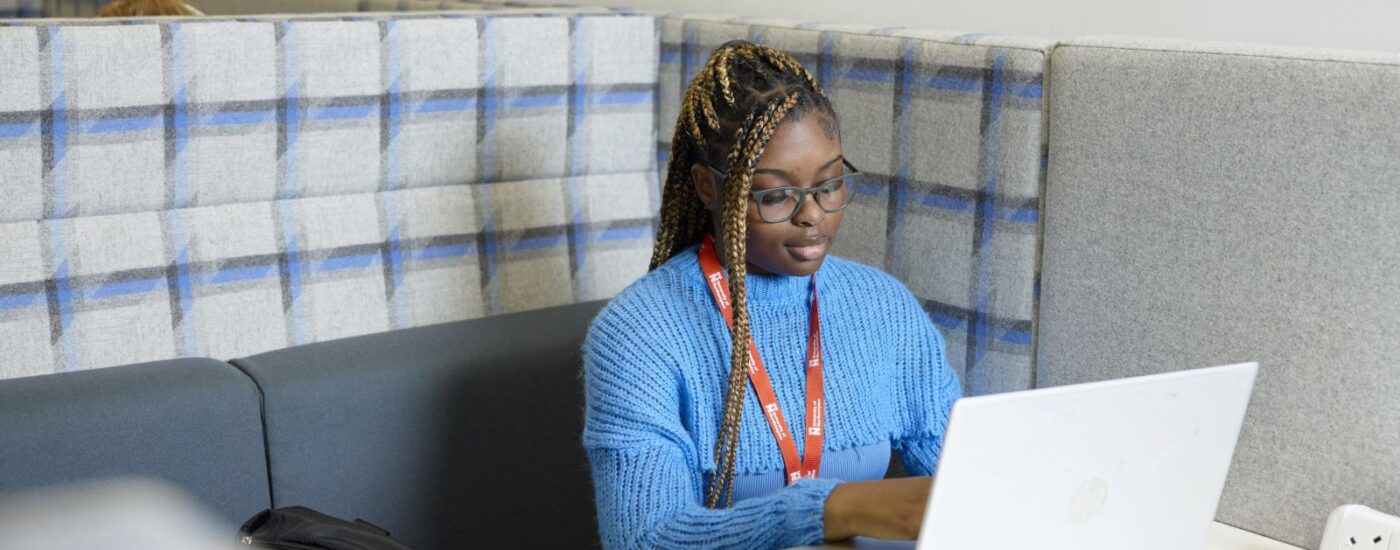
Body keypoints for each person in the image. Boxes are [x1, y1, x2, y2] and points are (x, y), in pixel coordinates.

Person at [581, 40, 962, 549]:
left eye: (829, 185)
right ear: (708, 187)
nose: (813, 215)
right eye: (777, 195)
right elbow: (645, 539)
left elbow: (968, 481)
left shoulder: (883, 307)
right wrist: (833, 508)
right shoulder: (638, 334)